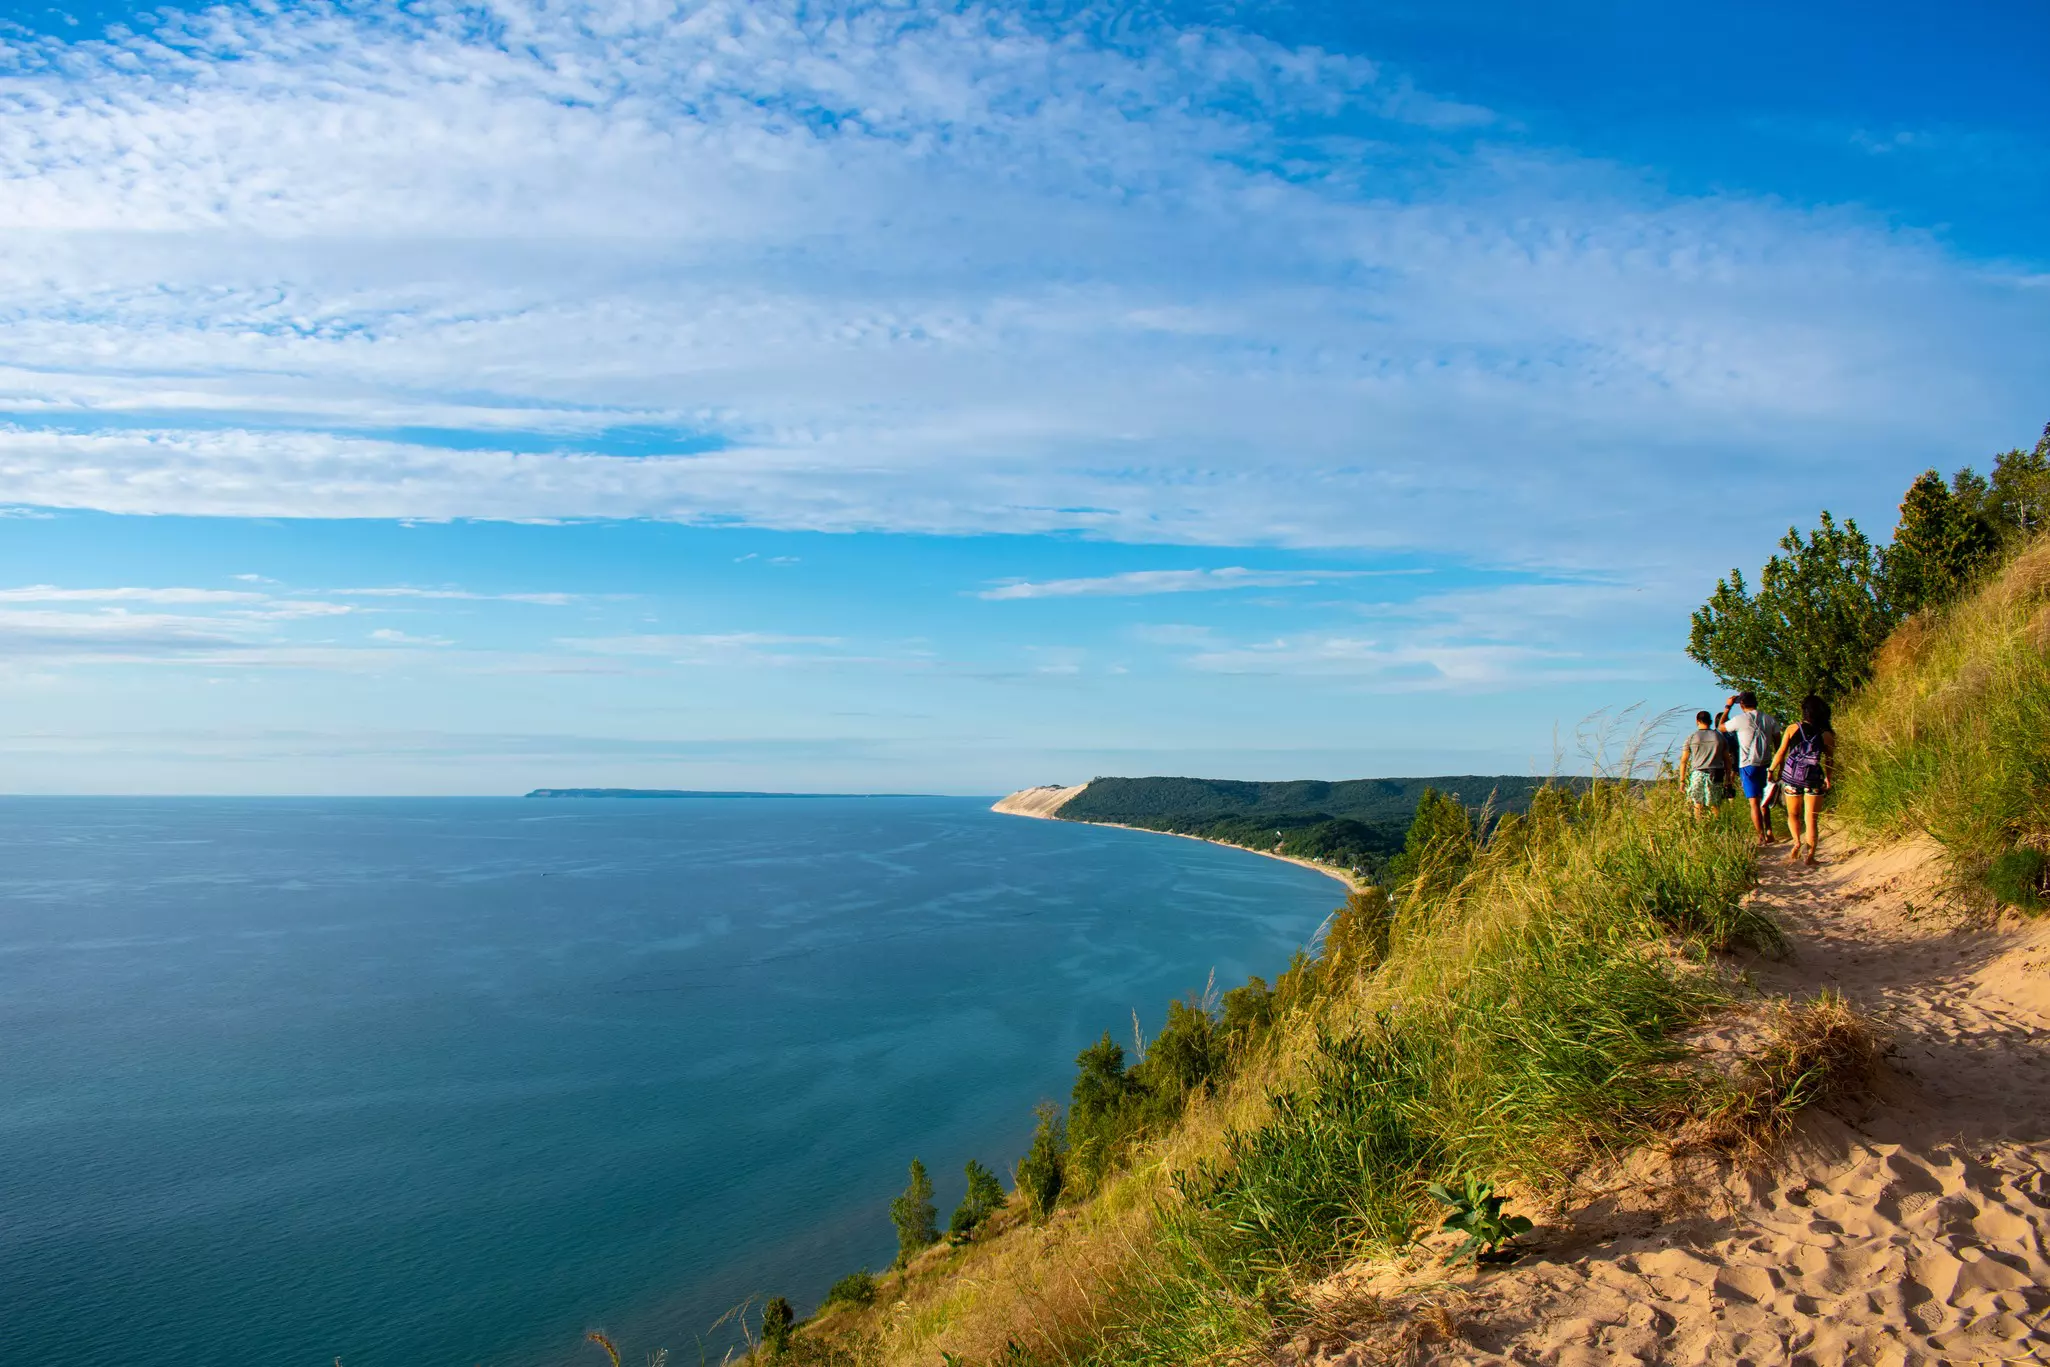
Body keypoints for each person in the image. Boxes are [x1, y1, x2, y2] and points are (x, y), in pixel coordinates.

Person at [1770, 694, 1835, 865]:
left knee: (1793, 814)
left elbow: (1781, 752)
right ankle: (1810, 857)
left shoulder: (1793, 728)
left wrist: (1771, 770)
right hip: (1813, 779)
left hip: (1792, 779)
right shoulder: (1826, 734)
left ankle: (1796, 842)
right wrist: (1828, 778)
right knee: (1811, 819)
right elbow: (1829, 760)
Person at [1719, 691, 1783, 845]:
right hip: (1767, 764)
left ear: (1741, 705)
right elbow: (1778, 741)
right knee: (1765, 801)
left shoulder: (1740, 719)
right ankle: (1769, 831)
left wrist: (1727, 707)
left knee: (1754, 803)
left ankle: (1761, 836)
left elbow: (1720, 727)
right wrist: (1777, 762)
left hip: (1748, 764)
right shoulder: (1769, 719)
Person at [1679, 710, 1730, 816]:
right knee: (1715, 804)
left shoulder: (1691, 738)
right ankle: (1717, 827)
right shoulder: (1719, 737)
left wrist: (1682, 780)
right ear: (1710, 721)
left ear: (1697, 721)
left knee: (1697, 804)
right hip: (1716, 772)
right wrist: (1728, 777)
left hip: (1698, 772)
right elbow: (1727, 759)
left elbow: (1684, 760)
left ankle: (1699, 827)